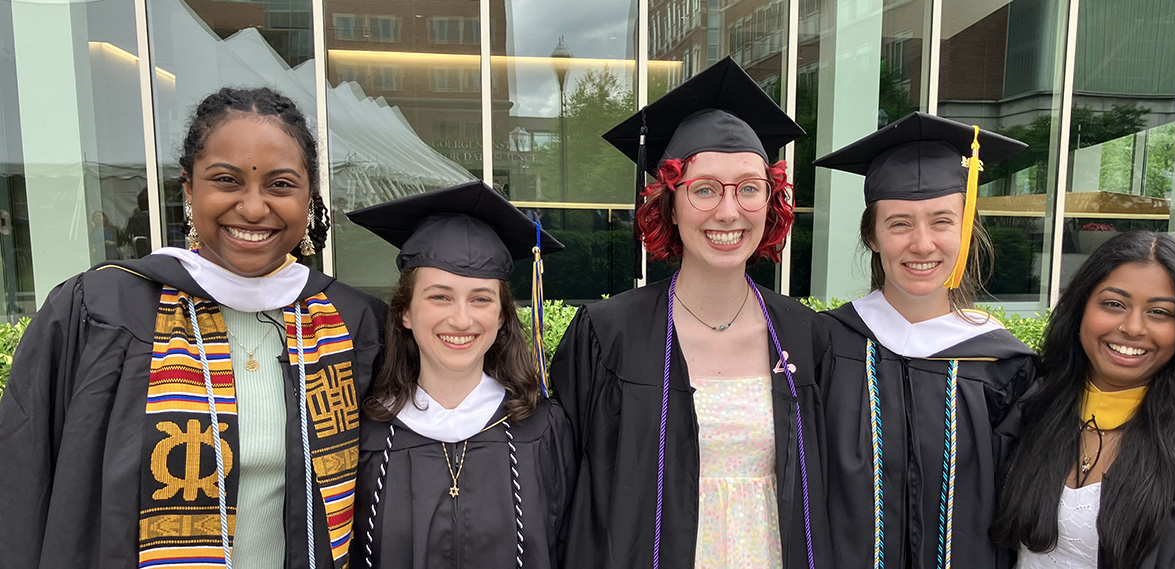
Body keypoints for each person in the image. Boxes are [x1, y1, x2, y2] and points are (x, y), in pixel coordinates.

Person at [0, 87, 385, 569]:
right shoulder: (100, 310)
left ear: (310, 198)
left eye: (281, 185)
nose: (252, 208)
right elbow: (24, 480)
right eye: (226, 180)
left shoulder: (350, 322)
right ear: (187, 187)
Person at [551, 56, 832, 569]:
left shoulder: (807, 336)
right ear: (669, 205)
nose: (728, 211)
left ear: (771, 203)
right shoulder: (607, 335)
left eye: (749, 187)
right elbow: (569, 492)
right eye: (703, 189)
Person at [812, 112, 1038, 569]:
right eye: (899, 224)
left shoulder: (1005, 365)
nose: (921, 244)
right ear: (871, 236)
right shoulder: (826, 348)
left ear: (966, 231)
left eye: (941, 221)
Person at [991, 230, 1175, 568]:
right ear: (1080, 310)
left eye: (1160, 312)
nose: (1133, 327)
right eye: (1114, 304)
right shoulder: (1030, 414)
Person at [345, 181, 574, 568]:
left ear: (501, 317)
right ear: (404, 312)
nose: (462, 319)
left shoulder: (544, 429)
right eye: (440, 296)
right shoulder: (364, 433)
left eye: (481, 299)